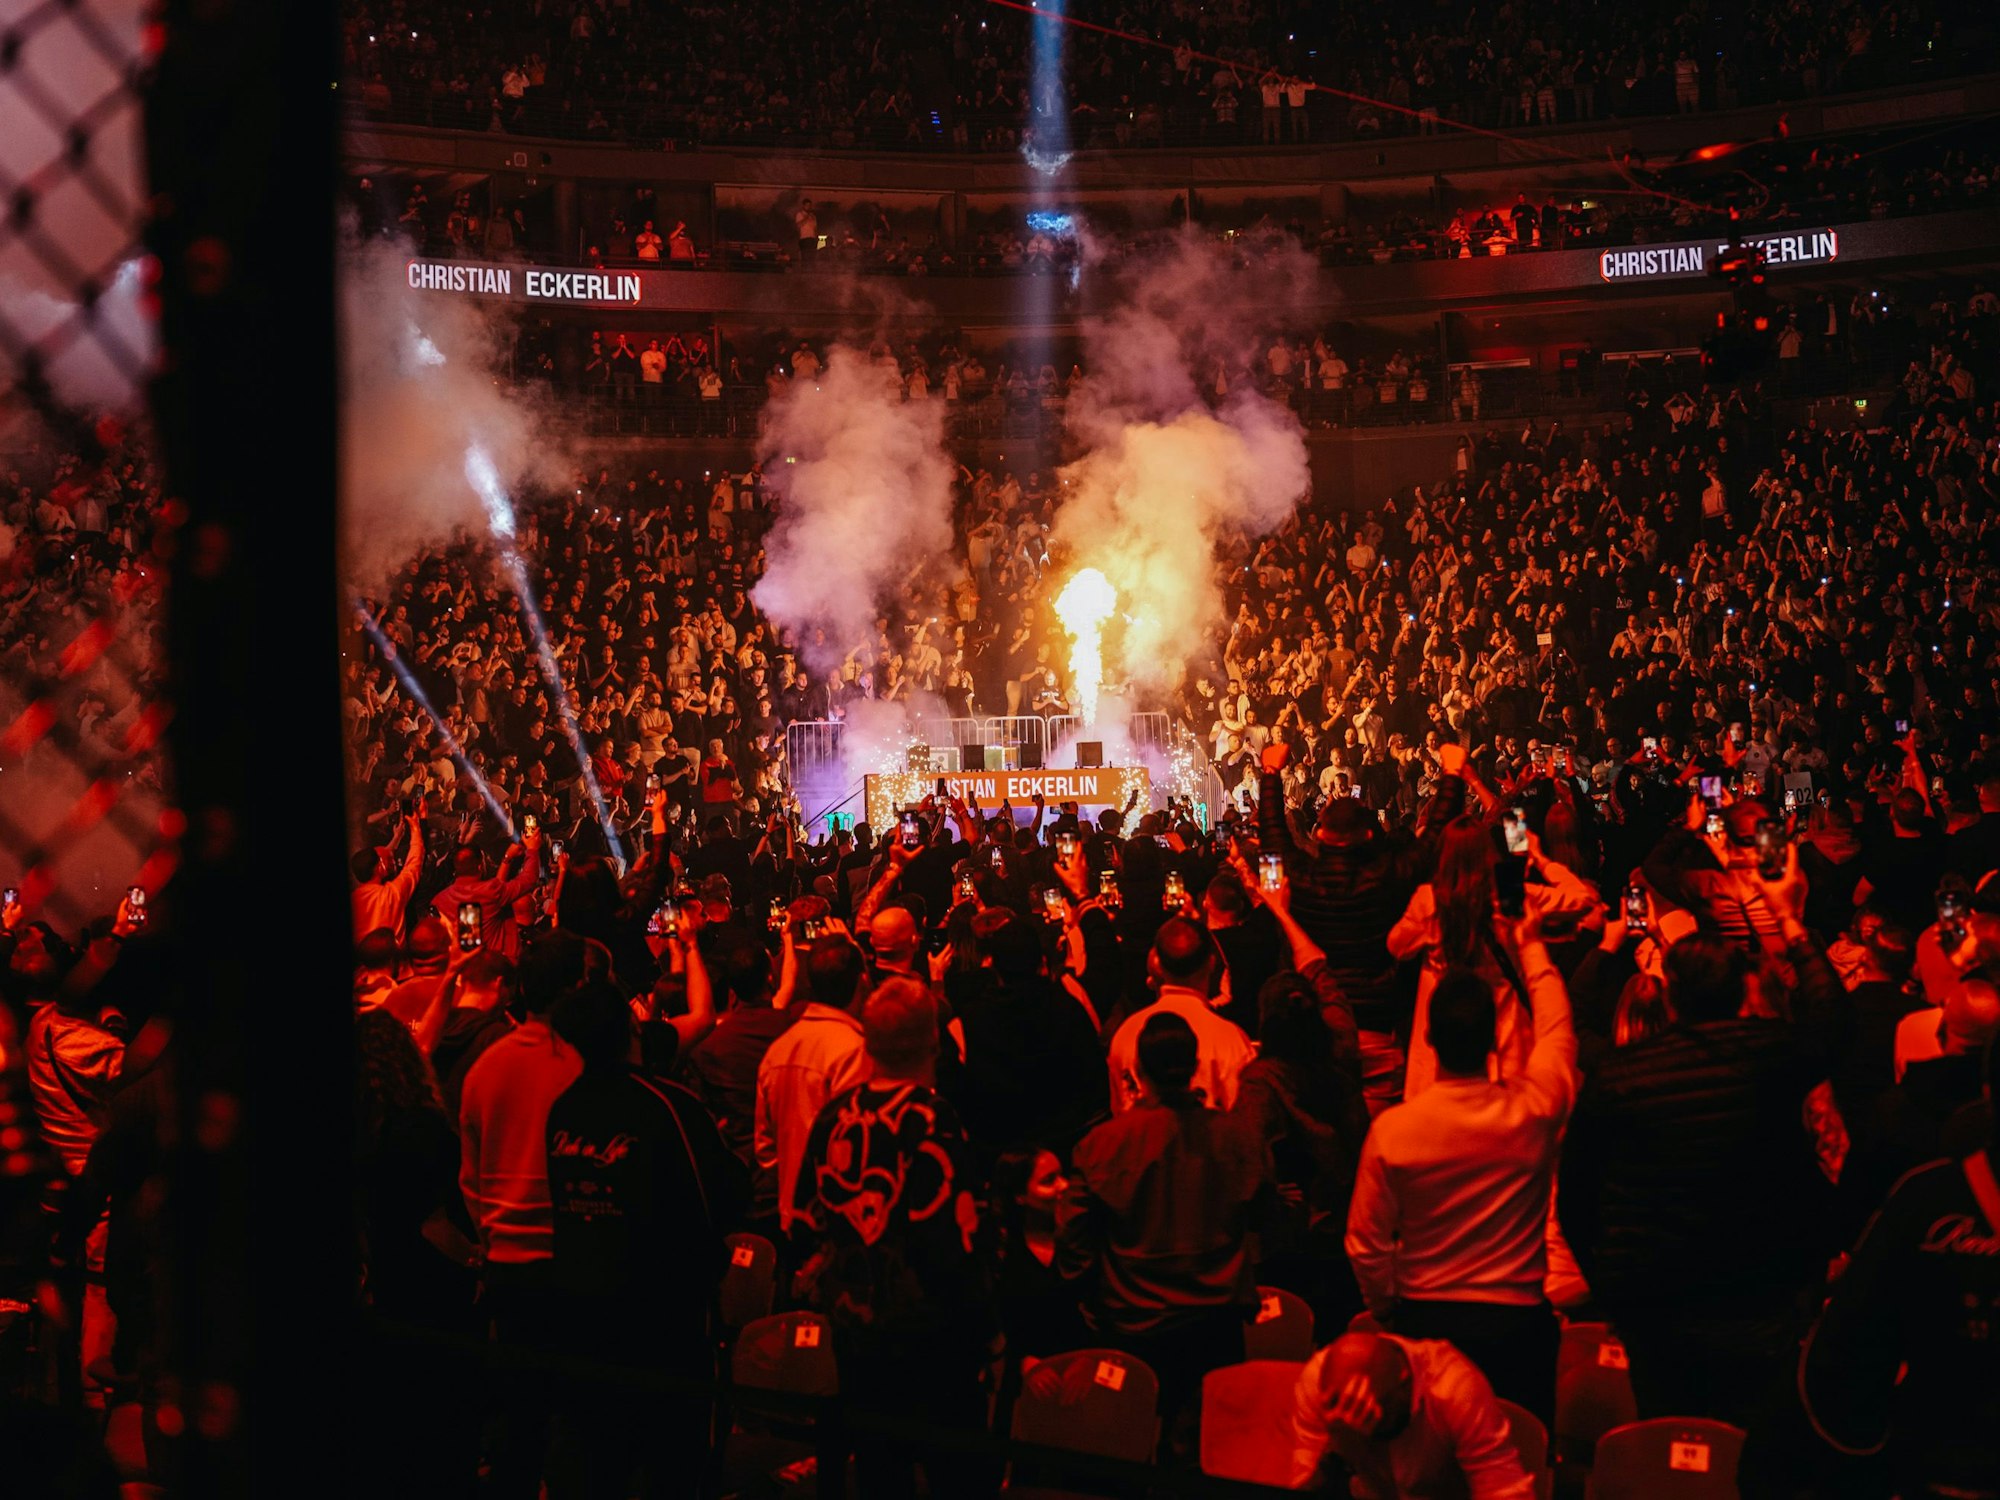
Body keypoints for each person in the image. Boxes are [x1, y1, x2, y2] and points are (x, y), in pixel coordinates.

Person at [1559, 847, 1845, 1430]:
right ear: (1739, 993)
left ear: (1674, 996)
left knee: (1668, 1438)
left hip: (1658, 1304)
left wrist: (1613, 1284)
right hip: (1757, 1299)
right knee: (1752, 1447)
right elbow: (1835, 1021)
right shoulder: (1771, 1056)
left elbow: (1577, 1196)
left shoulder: (1621, 1074)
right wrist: (1789, 919)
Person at [1347, 907, 1578, 1425]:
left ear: (1427, 1039)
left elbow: (1365, 1242)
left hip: (1425, 1318)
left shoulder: (1394, 1130)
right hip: (1517, 1322)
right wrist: (1532, 946)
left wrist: (1385, 1306)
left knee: (1432, 1467)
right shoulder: (1533, 1109)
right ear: (1495, 1038)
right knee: (1518, 1456)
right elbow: (1559, 1029)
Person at [793, 979, 998, 1500]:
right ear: (934, 1042)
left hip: (858, 1338)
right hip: (932, 1340)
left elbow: (805, 1223)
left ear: (867, 1043)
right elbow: (959, 1237)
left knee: (881, 1476)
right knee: (956, 1477)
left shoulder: (833, 1117)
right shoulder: (932, 1119)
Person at [546, 979, 743, 1500]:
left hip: (585, 1309)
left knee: (602, 1458)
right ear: (632, 1030)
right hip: (666, 1319)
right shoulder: (667, 1106)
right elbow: (719, 1199)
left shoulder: (562, 1108)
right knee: (675, 1462)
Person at [1058, 1011, 1273, 1453]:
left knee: (1131, 1453)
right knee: (1213, 1455)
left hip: (1133, 1324)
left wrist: (1089, 1300)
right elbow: (1271, 1215)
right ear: (1194, 1065)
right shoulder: (1237, 1138)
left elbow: (1074, 1242)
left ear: (1137, 1071)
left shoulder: (1103, 1144)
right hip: (1216, 1322)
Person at [1798, 1032, 2000, 1498]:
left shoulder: (1926, 1196)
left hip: (1938, 1459)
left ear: (1986, 1092)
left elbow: (1846, 1347)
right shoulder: (1927, 1197)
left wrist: (1868, 1449)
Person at [457, 929, 587, 1500]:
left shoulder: (489, 1065)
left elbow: (471, 1172)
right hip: (568, 1261)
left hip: (506, 1262)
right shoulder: (580, 1066)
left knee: (519, 1412)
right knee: (573, 1413)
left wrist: (489, 1233)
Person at [1290, 1331, 1537, 1497]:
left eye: (1377, 1415)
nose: (1366, 1427)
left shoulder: (1455, 1389)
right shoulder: (1320, 1385)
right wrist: (1340, 1450)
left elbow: (1504, 1491)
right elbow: (1303, 1485)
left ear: (1405, 1382)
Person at [753, 930, 869, 1238]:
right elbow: (858, 1145)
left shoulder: (778, 1050)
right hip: (842, 1223)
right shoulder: (856, 1051)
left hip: (790, 1215)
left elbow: (764, 1149)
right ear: (862, 982)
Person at [1105, 918, 1255, 1113]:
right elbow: (1244, 1120)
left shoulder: (1125, 1035)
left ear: (1157, 964)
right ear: (1211, 962)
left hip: (1143, 1142)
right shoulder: (1231, 1040)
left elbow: (1119, 1114)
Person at [352, 802, 425, 941]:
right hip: (393, 960)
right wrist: (415, 827)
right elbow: (414, 864)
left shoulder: (354, 900)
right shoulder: (391, 894)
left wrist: (397, 837)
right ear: (379, 867)